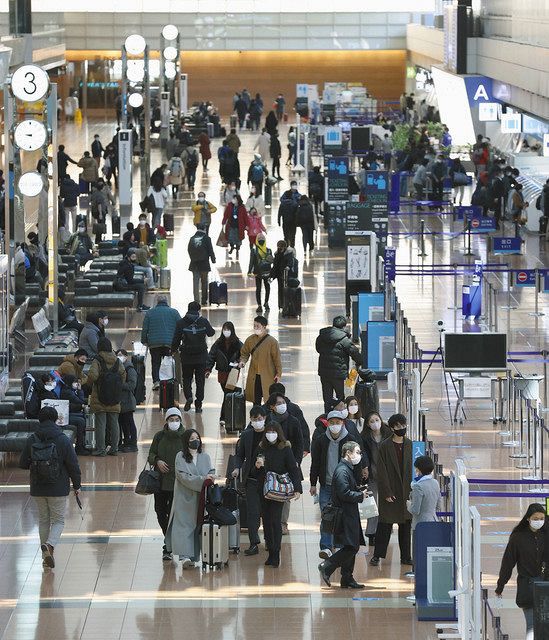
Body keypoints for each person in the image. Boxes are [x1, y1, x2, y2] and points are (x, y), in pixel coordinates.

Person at [19, 406, 82, 569]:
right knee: (58, 520)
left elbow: (23, 463)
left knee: (44, 520)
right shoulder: (63, 438)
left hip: (38, 487)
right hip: (58, 487)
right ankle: (50, 546)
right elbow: (73, 464)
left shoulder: (33, 438)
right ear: (56, 419)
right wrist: (77, 485)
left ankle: (45, 557)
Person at [311, 411, 365, 559]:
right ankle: (326, 547)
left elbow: (358, 462)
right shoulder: (321, 440)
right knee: (327, 516)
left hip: (344, 486)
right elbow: (315, 463)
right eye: (332, 422)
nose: (335, 425)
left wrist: (357, 483)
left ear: (343, 423)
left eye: (338, 422)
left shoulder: (350, 439)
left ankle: (341, 545)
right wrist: (313, 483)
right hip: (326, 485)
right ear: (328, 424)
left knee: (343, 517)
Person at [495, 503, 549, 640]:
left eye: (542, 518)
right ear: (528, 518)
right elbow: (508, 563)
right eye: (535, 518)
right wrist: (500, 585)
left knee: (544, 625)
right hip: (528, 588)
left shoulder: (546, 534)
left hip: (545, 586)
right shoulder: (518, 538)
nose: (539, 521)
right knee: (532, 625)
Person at [318, 441, 367, 589]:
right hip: (345, 515)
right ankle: (326, 566)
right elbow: (344, 493)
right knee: (352, 547)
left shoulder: (347, 469)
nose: (359, 455)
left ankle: (347, 578)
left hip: (349, 513)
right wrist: (360, 495)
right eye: (357, 452)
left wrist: (359, 489)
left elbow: (346, 488)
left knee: (351, 545)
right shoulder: (342, 471)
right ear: (348, 453)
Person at [164, 429, 215, 568]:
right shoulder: (180, 456)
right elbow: (183, 476)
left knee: (196, 525)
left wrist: (210, 478)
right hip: (184, 497)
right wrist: (203, 479)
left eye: (197, 438)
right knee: (183, 526)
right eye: (192, 438)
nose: (195, 440)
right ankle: (184, 556)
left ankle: (193, 556)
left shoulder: (205, 457)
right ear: (186, 441)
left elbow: (211, 472)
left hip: (200, 498)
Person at [255, 421, 302, 567]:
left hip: (279, 490)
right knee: (267, 522)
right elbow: (255, 471)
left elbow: (293, 468)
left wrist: (297, 488)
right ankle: (270, 551)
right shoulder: (261, 448)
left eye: (273, 431)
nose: (270, 434)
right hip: (264, 490)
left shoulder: (285, 449)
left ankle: (276, 553)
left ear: (278, 433)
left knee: (275, 521)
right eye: (268, 432)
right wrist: (257, 466)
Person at [370, 413, 413, 567]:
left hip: (407, 492)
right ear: (392, 427)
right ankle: (377, 555)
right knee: (385, 524)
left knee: (405, 525)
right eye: (398, 426)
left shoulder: (411, 445)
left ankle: (406, 556)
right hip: (391, 491)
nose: (402, 428)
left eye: (403, 425)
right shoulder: (385, 446)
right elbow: (381, 471)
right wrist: (387, 492)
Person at [148, 407, 185, 561]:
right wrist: (157, 461)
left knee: (173, 515)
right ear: (167, 421)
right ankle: (168, 539)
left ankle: (168, 546)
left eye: (177, 420)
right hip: (161, 483)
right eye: (171, 420)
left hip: (178, 483)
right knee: (160, 511)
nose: (174, 423)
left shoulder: (186, 436)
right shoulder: (159, 436)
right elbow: (151, 454)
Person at [232, 406, 268, 554]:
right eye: (254, 419)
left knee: (268, 512)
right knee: (252, 512)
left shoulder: (271, 433)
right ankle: (254, 542)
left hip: (268, 480)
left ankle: (270, 540)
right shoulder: (246, 435)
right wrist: (237, 467)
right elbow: (240, 455)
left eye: (259, 419)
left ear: (265, 418)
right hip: (251, 479)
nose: (257, 422)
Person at [171, 301, 215, 413]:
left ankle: (189, 397)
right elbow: (211, 333)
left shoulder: (181, 322)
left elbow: (176, 339)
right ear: (198, 310)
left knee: (187, 378)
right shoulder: (203, 321)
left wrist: (172, 350)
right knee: (200, 381)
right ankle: (199, 404)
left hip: (186, 356)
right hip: (201, 356)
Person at [86, 337, 127, 457]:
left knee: (101, 424)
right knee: (114, 423)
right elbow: (123, 375)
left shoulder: (97, 360)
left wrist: (90, 384)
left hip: (100, 396)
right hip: (114, 396)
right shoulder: (117, 360)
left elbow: (92, 376)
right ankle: (114, 448)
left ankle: (101, 449)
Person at [316, 316, 362, 413]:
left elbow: (318, 349)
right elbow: (354, 353)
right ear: (344, 326)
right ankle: (340, 417)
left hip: (324, 373)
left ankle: (327, 417)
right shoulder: (344, 340)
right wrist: (359, 362)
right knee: (340, 397)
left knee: (327, 398)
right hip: (338, 374)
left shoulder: (322, 336)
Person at [361, 410, 392, 546]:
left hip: (387, 476)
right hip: (372, 475)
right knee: (371, 505)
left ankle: (384, 531)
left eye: (377, 420)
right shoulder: (365, 438)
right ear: (367, 424)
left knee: (386, 505)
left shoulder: (389, 435)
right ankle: (371, 533)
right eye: (372, 421)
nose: (375, 423)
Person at [206, 321, 242, 426]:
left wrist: (239, 361)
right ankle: (239, 392)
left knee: (227, 393)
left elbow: (244, 354)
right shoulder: (218, 343)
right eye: (224, 329)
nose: (226, 331)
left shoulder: (237, 343)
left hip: (233, 373)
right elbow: (211, 356)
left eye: (228, 329)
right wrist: (208, 369)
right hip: (222, 373)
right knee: (227, 393)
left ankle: (223, 418)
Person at [239, 316, 282, 405]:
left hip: (268, 375)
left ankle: (268, 418)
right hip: (254, 376)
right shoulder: (250, 340)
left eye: (258, 326)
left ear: (264, 327)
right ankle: (256, 417)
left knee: (269, 400)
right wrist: (243, 361)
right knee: (256, 400)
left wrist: (278, 374)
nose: (255, 328)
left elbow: (277, 359)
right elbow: (244, 353)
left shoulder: (272, 342)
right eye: (254, 326)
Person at [141, 296, 181, 390]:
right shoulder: (174, 312)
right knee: (169, 362)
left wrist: (144, 340)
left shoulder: (150, 313)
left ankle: (156, 382)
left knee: (155, 363)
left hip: (154, 343)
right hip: (169, 342)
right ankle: (169, 381)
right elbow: (180, 326)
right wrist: (179, 340)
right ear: (166, 302)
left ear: (157, 302)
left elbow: (145, 328)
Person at [406, 455, 439, 561]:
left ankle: (417, 574)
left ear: (419, 469)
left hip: (420, 524)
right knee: (429, 553)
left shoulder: (418, 486)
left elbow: (415, 510)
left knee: (418, 553)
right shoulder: (435, 483)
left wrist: (408, 504)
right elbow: (439, 504)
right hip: (433, 520)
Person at [58, 373, 89, 456]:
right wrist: (80, 390)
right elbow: (80, 401)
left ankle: (82, 444)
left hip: (69, 412)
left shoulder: (68, 390)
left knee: (83, 418)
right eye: (74, 382)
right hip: (65, 415)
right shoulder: (67, 392)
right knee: (81, 421)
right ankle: (79, 447)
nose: (76, 384)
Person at [115, 349, 138, 453]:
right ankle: (126, 442)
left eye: (121, 355)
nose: (119, 357)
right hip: (121, 401)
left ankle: (133, 444)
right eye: (117, 355)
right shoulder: (118, 368)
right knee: (123, 423)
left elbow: (132, 385)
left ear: (126, 356)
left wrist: (119, 385)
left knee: (129, 423)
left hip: (128, 401)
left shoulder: (130, 369)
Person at [187, 223, 216, 305]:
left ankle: (196, 300)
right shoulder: (207, 238)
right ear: (205, 229)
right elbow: (210, 250)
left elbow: (189, 249)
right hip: (204, 264)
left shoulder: (192, 238)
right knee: (204, 282)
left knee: (195, 282)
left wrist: (193, 258)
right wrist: (213, 259)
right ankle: (204, 300)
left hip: (194, 264)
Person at [270, 240, 298, 312]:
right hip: (280, 275)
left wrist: (288, 267)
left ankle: (287, 305)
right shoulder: (277, 254)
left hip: (287, 276)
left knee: (286, 290)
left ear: (284, 247)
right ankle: (281, 305)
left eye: (281, 247)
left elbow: (290, 262)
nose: (280, 249)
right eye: (279, 247)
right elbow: (275, 266)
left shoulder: (289, 254)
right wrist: (271, 276)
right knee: (280, 290)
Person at [248, 234, 273, 313]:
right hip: (267, 272)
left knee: (258, 289)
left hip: (257, 272)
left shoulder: (254, 251)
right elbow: (271, 261)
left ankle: (259, 305)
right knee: (267, 287)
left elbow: (251, 262)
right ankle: (266, 303)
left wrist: (249, 271)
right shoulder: (269, 250)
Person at [222, 193, 247, 258]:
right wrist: (223, 221)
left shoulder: (242, 207)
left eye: (235, 199)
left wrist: (247, 225)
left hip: (239, 226)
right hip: (231, 225)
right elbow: (226, 215)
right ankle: (232, 247)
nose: (233, 200)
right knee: (230, 238)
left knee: (238, 239)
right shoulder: (230, 206)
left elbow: (245, 217)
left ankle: (237, 248)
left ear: (238, 200)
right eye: (233, 198)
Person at [278, 181, 300, 247]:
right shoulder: (295, 204)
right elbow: (298, 212)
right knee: (292, 236)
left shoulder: (282, 204)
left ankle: (286, 248)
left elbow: (279, 213)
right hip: (293, 221)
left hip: (285, 221)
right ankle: (292, 248)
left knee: (286, 236)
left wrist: (278, 221)